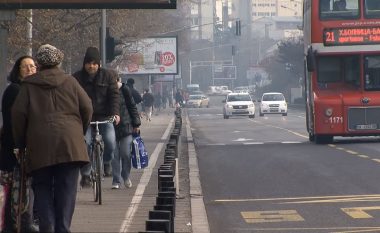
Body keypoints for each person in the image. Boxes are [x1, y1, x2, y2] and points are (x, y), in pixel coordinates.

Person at [11, 44, 93, 232]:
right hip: (70, 146)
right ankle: (63, 228)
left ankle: (47, 228)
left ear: (38, 63)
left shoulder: (28, 86)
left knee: (42, 188)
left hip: (39, 147)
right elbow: (87, 107)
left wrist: (21, 143)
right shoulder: (71, 82)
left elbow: (18, 115)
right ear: (59, 61)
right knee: (67, 190)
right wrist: (79, 131)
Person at [0, 55, 38, 232]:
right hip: (14, 150)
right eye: (26, 67)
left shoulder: (29, 89)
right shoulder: (15, 90)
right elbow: (13, 123)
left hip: (21, 147)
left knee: (21, 188)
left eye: (33, 66)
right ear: (18, 71)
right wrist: (19, 146)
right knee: (18, 189)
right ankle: (17, 224)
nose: (30, 69)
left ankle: (20, 223)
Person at [72, 46, 120, 185]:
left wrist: (115, 114)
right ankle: (86, 174)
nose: (91, 66)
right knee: (85, 144)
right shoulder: (76, 78)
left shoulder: (108, 76)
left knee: (110, 142)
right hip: (85, 119)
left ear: (99, 64)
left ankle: (106, 162)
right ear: (84, 64)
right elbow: (73, 98)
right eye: (89, 63)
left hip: (105, 117)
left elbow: (114, 96)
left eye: (94, 63)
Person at [111, 78, 141, 189]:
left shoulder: (125, 89)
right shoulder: (104, 90)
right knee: (114, 155)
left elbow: (132, 106)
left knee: (126, 153)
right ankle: (116, 180)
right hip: (111, 127)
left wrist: (136, 124)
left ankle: (126, 176)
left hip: (126, 126)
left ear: (118, 80)